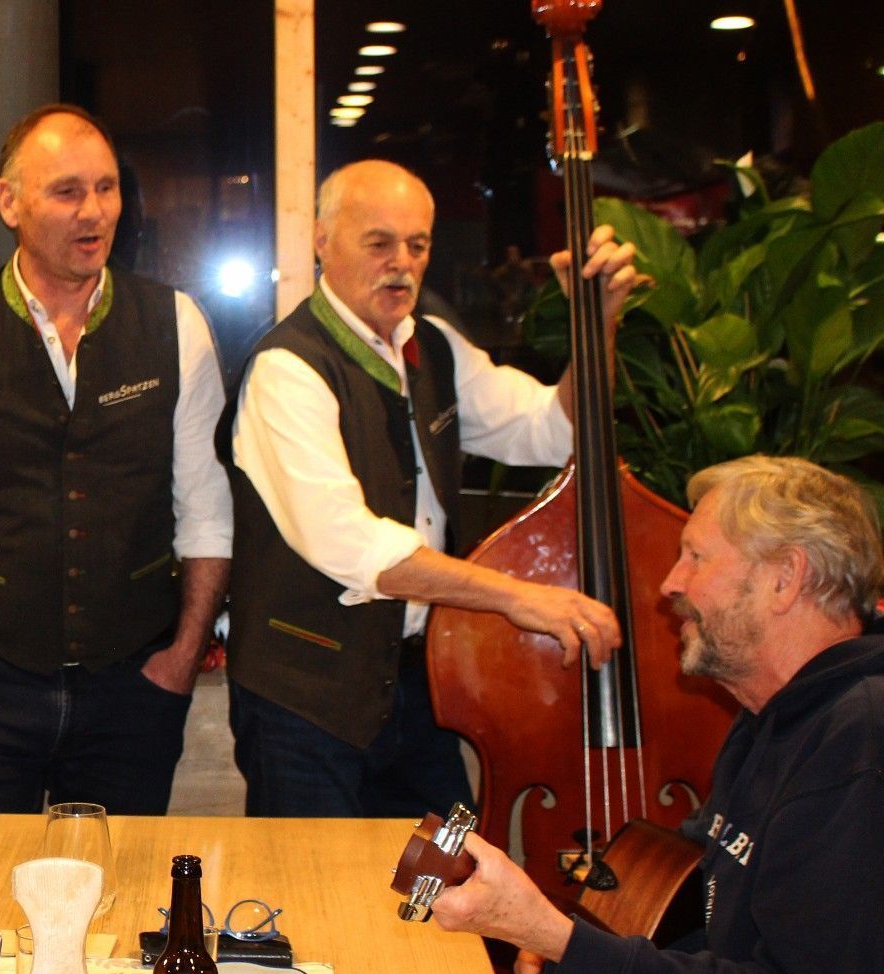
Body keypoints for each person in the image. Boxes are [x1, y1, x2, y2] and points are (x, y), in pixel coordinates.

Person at [430, 455, 884, 974]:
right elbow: (703, 928)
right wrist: (579, 954)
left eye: (695, 557)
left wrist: (557, 938)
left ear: (785, 578)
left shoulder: (878, 743)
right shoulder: (776, 717)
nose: (670, 584)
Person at [223, 159, 636, 817]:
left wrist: (600, 321)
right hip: (305, 698)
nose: (404, 263)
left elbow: (553, 432)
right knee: (315, 901)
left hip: (414, 689)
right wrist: (516, 597)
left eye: (418, 245)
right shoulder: (287, 370)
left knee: (441, 887)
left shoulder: (435, 348)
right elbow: (358, 548)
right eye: (380, 242)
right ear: (322, 240)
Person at [0, 104, 232, 814]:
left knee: (117, 902)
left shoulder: (175, 323)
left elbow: (207, 516)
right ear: (10, 202)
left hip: (132, 685)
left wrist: (183, 657)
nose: (93, 211)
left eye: (106, 188)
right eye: (67, 191)